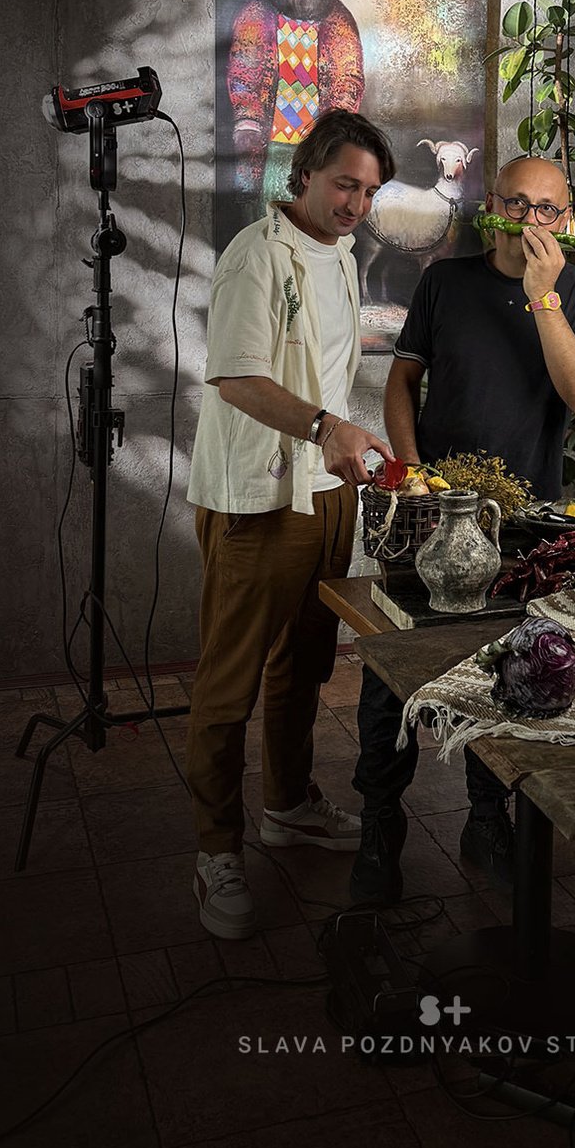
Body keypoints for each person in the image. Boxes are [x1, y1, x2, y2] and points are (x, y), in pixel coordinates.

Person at [349, 155, 575, 904]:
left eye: (547, 209)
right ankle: (379, 824)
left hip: (527, 521)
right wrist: (412, 476)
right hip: (430, 509)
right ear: (490, 205)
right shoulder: (445, 281)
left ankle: (487, 817)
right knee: (392, 670)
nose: (530, 220)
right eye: (517, 203)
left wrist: (543, 298)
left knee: (509, 671)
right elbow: (403, 380)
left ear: (565, 218)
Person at [185, 108, 395, 940]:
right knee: (228, 682)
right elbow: (236, 377)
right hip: (258, 496)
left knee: (304, 662)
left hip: (326, 492)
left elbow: (323, 376)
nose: (356, 205)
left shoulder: (340, 254)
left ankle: (287, 805)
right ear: (303, 173)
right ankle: (215, 848)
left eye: (369, 192)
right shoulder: (255, 256)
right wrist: (324, 426)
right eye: (345, 184)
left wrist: (344, 437)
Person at [224, 0, 367, 212]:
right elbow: (244, 74)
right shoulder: (254, 15)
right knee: (266, 223)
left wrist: (331, 133)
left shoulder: (340, 22)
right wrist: (248, 125)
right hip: (269, 153)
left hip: (319, 155)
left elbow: (348, 80)